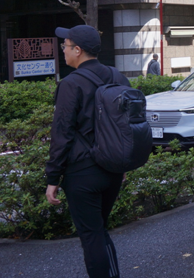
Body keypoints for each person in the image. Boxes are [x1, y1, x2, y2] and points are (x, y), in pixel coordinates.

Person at [46, 25, 131, 278]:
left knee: (91, 235)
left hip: (82, 173)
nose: (63, 50)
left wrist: (53, 178)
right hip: (113, 169)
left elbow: (62, 134)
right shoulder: (118, 77)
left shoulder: (71, 84)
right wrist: (122, 165)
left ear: (78, 50)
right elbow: (127, 126)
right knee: (99, 231)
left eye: (65, 46)